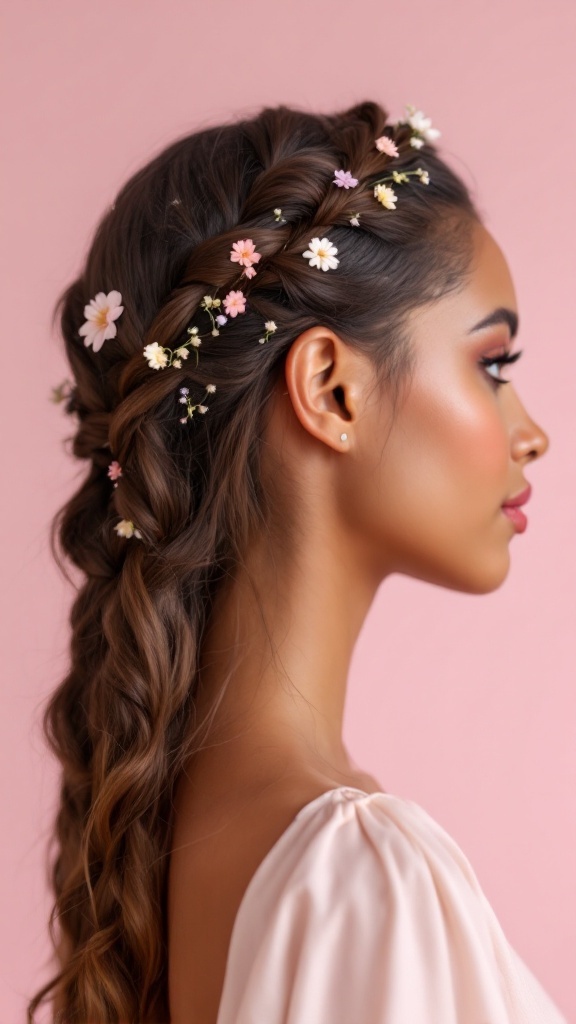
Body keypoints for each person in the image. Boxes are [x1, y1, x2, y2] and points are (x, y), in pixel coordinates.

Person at [29, 100, 567, 1024]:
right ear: (331, 388)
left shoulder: (163, 849)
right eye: (491, 363)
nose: (534, 436)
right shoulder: (360, 877)